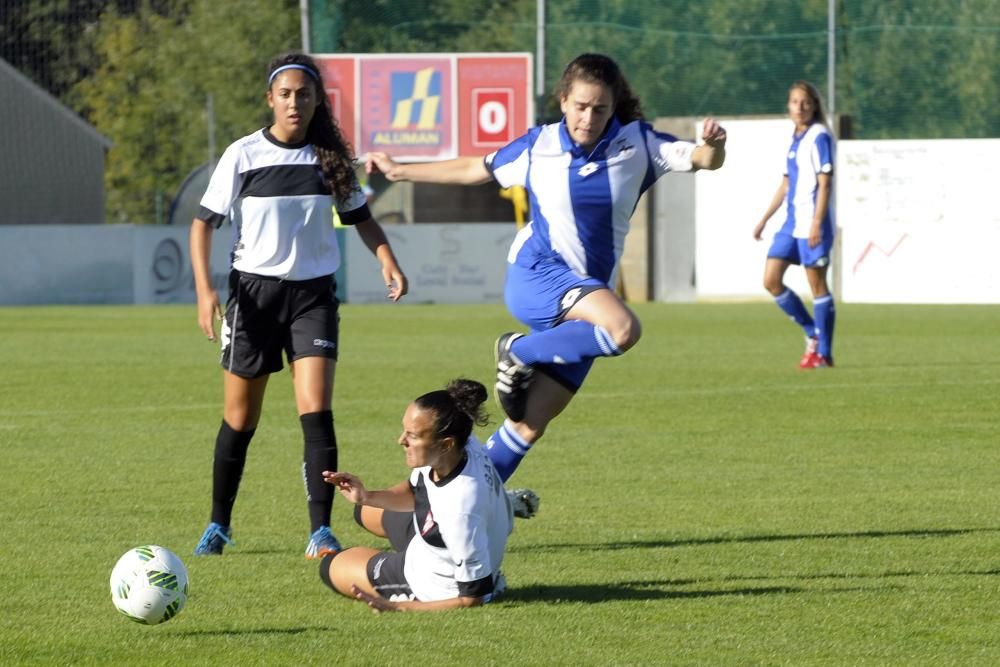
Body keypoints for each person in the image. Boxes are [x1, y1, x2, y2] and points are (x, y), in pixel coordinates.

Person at [367, 53, 727, 483]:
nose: (588, 118)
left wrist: (716, 145)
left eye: (600, 109)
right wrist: (400, 172)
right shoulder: (538, 146)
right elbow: (473, 168)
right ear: (563, 101)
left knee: (529, 423)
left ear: (614, 107)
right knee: (623, 330)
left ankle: (450, 499)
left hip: (586, 298)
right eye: (580, 106)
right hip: (537, 274)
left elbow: (705, 160)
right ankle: (516, 351)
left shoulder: (640, 144)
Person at [189, 52, 408, 559]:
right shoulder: (243, 155)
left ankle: (320, 530)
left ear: (316, 101)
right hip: (254, 299)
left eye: (303, 94)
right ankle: (219, 524)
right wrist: (205, 291)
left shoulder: (330, 158)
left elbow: (361, 217)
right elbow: (203, 223)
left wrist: (387, 258)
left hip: (312, 298)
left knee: (316, 411)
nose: (294, 102)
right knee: (240, 419)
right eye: (285, 94)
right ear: (270, 99)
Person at [320, 379, 514, 612]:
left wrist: (401, 606)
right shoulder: (462, 445)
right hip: (440, 533)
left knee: (330, 566)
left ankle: (403, 572)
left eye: (412, 436)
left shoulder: (460, 511)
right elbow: (416, 491)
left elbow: (473, 598)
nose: (401, 440)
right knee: (363, 511)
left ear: (445, 444)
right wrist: (365, 496)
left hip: (432, 583)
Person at [753, 81, 836, 369]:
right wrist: (764, 218)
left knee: (817, 285)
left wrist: (816, 222)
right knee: (770, 280)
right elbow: (787, 183)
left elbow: (825, 184)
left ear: (814, 106)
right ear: (788, 106)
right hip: (791, 223)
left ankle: (823, 353)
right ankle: (812, 332)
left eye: (805, 102)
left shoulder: (820, 136)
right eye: (794, 102)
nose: (800, 108)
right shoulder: (796, 139)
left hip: (813, 222)